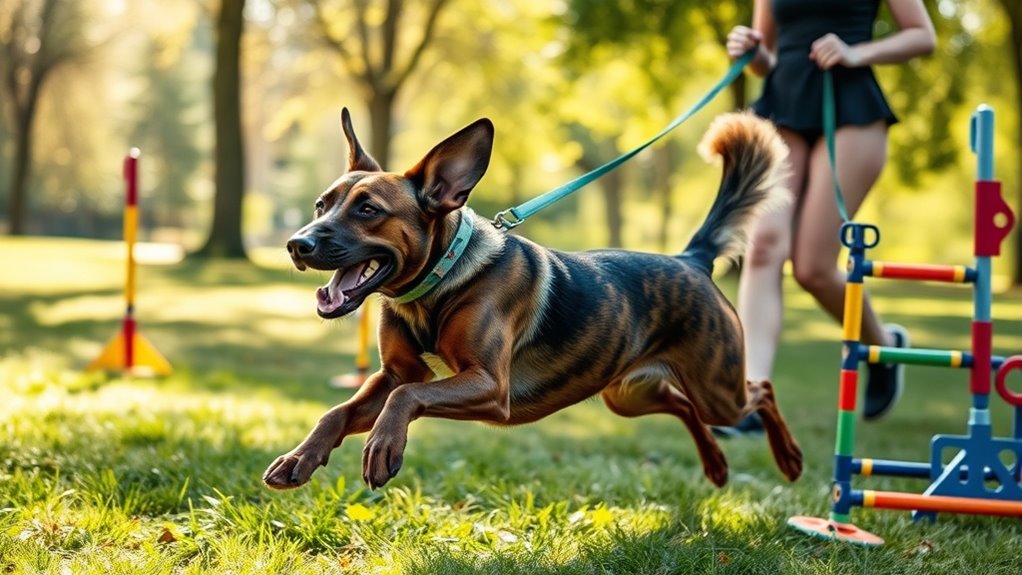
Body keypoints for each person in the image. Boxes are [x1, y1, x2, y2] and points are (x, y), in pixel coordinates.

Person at [718, 0, 936, 434]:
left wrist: (857, 52)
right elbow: (767, 60)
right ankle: (752, 395)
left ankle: (885, 346)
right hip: (784, 102)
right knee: (761, 247)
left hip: (852, 105)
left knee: (814, 268)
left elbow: (923, 36)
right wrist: (749, 49)